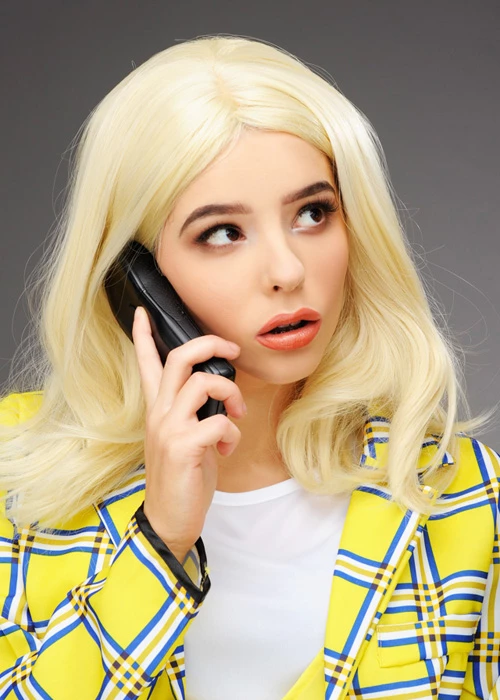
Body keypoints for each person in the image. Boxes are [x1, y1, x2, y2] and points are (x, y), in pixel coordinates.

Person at [0, 34, 498, 700]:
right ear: (133, 277)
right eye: (222, 233)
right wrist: (160, 540)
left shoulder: (459, 492)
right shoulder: (15, 479)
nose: (287, 271)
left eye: (313, 214)